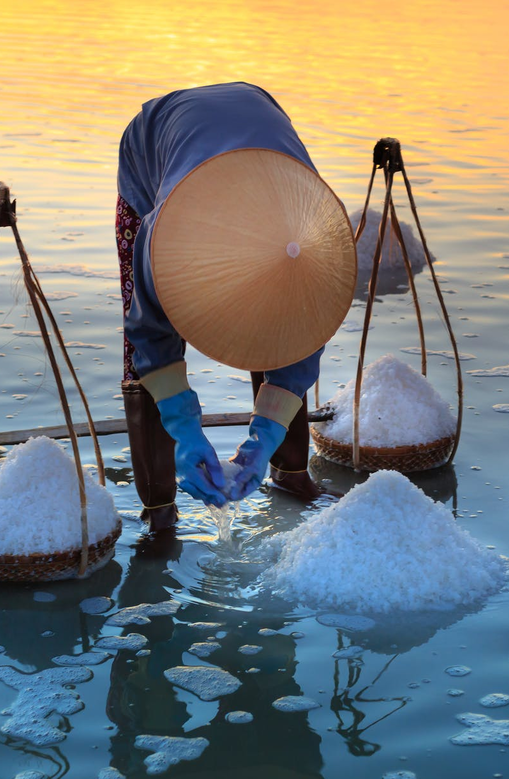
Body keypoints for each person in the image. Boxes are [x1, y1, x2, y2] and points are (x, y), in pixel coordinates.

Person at [115, 82, 356, 532]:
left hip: (261, 132)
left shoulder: (314, 252)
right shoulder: (162, 237)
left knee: (282, 322)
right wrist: (185, 433)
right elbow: (147, 334)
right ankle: (159, 512)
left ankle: (289, 474)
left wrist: (263, 440)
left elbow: (302, 347)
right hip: (153, 146)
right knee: (145, 348)